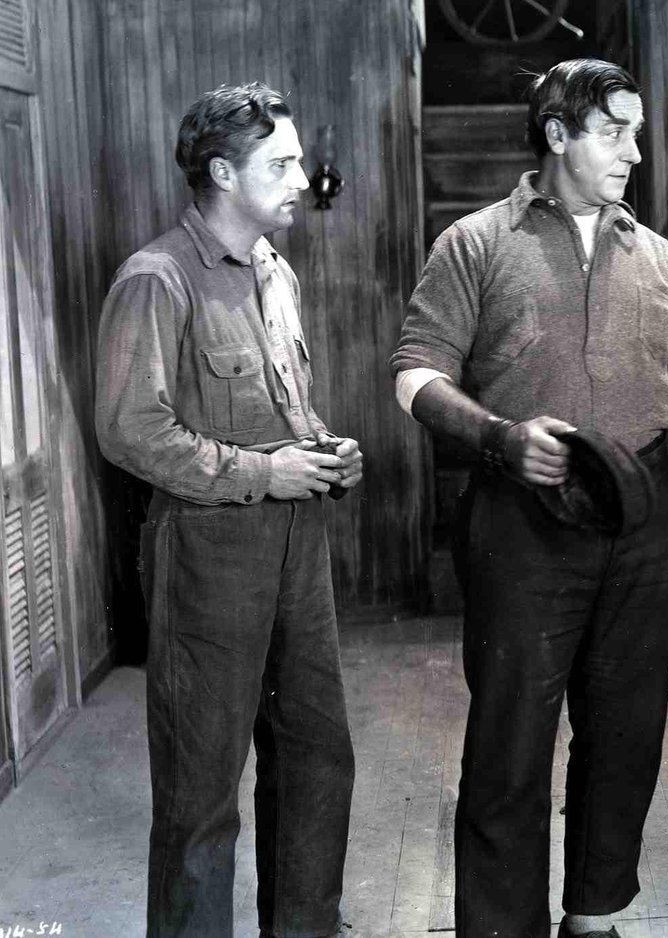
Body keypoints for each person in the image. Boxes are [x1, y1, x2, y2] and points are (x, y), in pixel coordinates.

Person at [390, 58, 668, 938]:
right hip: (520, 522)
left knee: (626, 734)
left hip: (642, 517)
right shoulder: (474, 243)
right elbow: (414, 373)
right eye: (614, 132)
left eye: (636, 133)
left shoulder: (657, 253)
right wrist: (501, 437)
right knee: (510, 744)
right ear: (558, 134)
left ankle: (594, 916)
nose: (634, 152)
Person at [95, 82, 363, 938]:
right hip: (207, 557)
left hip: (297, 550)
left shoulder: (275, 273)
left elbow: (282, 408)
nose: (301, 180)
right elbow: (130, 430)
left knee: (317, 759)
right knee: (202, 790)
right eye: (279, 165)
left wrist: (324, 451)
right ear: (221, 173)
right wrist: (264, 472)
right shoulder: (156, 280)